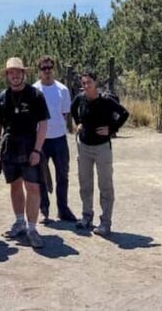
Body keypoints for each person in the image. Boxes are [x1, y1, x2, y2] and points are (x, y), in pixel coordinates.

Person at [0, 57, 49, 248]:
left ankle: (32, 229)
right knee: (15, 185)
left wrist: (37, 150)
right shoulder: (1, 99)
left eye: (18, 72)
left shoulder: (35, 95)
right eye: (11, 72)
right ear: (7, 75)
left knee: (33, 187)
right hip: (9, 148)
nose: (15, 76)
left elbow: (43, 125)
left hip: (30, 146)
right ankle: (19, 222)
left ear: (24, 74)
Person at [71, 70, 129, 237]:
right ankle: (86, 217)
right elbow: (73, 109)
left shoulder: (105, 100)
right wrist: (78, 123)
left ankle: (105, 222)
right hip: (84, 147)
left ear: (95, 83)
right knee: (85, 184)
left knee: (105, 185)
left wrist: (111, 129)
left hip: (102, 148)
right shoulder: (80, 99)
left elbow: (124, 113)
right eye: (83, 83)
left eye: (89, 82)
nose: (86, 86)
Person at [32, 56, 77, 222]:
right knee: (41, 176)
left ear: (54, 68)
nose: (47, 71)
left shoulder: (63, 90)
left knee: (62, 175)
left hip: (59, 139)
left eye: (50, 67)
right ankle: (44, 210)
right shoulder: (34, 90)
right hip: (40, 140)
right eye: (44, 68)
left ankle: (63, 209)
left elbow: (64, 113)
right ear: (39, 71)